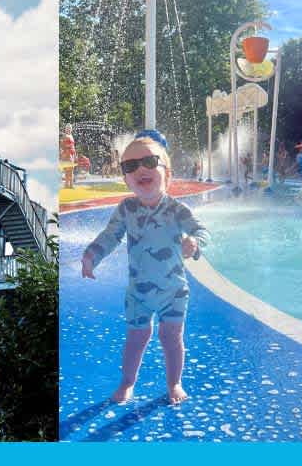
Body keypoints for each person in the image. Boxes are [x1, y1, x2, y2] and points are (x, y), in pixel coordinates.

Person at [81, 132, 210, 405]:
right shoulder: (126, 208)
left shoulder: (176, 210)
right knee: (136, 338)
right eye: (130, 166)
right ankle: (128, 382)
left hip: (173, 291)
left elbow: (201, 230)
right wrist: (91, 255)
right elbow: (110, 236)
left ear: (168, 173)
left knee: (170, 337)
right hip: (138, 292)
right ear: (126, 178)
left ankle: (174, 383)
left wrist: (195, 243)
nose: (141, 169)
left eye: (150, 162)